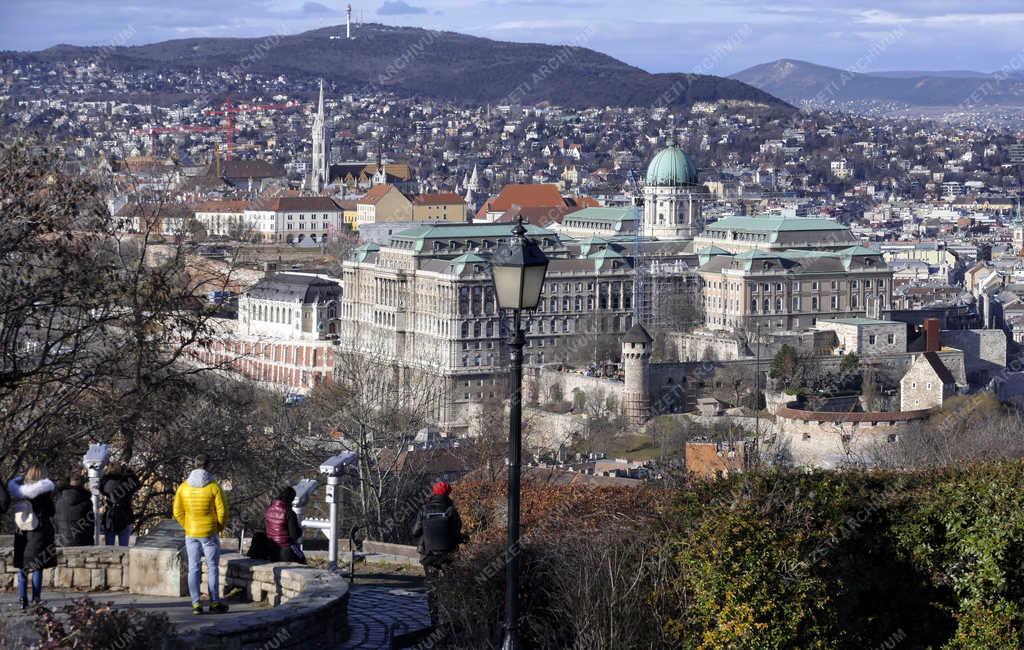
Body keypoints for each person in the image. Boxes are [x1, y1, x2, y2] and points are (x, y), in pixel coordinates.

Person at [172, 454, 229, 615]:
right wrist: (219, 527)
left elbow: (177, 511)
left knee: (193, 568)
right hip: (210, 532)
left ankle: (196, 603)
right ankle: (214, 602)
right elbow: (223, 511)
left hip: (191, 532)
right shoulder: (214, 486)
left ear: (195, 465)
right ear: (208, 466)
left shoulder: (184, 487)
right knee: (212, 567)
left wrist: (187, 525)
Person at [9, 465, 56, 609]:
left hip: (22, 532)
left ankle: (22, 599)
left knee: (22, 568)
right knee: (37, 568)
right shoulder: (44, 493)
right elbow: (51, 512)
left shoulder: (19, 492)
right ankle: (36, 599)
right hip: (38, 532)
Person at [412, 481, 463, 575]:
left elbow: (415, 532)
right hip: (448, 552)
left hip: (428, 553)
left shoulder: (424, 509)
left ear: (434, 492)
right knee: (450, 577)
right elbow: (456, 532)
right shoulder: (452, 510)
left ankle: (431, 581)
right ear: (448, 493)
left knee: (430, 578)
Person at [100, 461, 139, 546]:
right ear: (121, 469)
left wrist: (106, 473)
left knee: (109, 548)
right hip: (125, 515)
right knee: (123, 548)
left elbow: (101, 486)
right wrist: (128, 470)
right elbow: (136, 482)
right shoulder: (127, 481)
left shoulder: (107, 482)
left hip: (110, 517)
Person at [264, 486, 306, 564]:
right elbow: (294, 535)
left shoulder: (269, 509)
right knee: (302, 561)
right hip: (285, 550)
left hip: (271, 549)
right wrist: (300, 530)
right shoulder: (289, 513)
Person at [54, 474, 94, 547]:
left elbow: (56, 521)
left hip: (64, 541)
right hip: (83, 542)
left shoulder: (59, 500)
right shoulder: (86, 501)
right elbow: (90, 524)